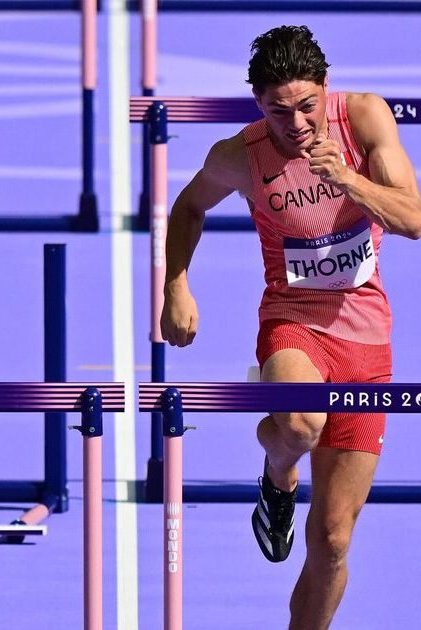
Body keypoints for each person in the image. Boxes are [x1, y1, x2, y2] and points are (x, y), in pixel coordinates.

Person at [160, 25, 421, 628]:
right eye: (280, 112)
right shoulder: (240, 155)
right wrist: (175, 283)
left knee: (331, 541)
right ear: (259, 105)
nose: (297, 125)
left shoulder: (363, 119)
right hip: (292, 322)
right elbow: (189, 207)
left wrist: (349, 179)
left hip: (367, 337)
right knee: (300, 425)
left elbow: (412, 218)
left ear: (325, 90)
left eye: (307, 107)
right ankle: (278, 474)